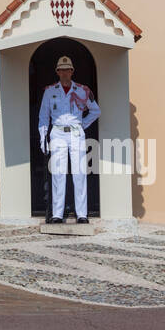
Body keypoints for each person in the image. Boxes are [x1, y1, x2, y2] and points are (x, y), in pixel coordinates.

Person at [37, 55, 100, 224]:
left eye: (67, 70)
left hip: (75, 134)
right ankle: (57, 214)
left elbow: (95, 111)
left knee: (79, 173)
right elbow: (43, 117)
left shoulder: (82, 90)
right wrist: (43, 138)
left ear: (72, 71)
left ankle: (82, 214)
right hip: (57, 133)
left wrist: (81, 125)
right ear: (57, 72)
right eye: (61, 70)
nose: (64, 73)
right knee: (58, 173)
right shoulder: (50, 91)